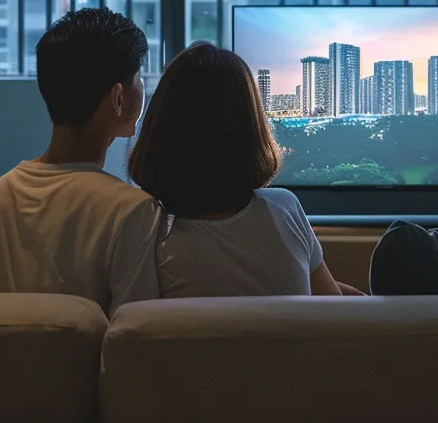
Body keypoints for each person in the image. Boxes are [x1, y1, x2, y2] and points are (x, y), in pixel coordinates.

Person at [0, 8, 163, 314]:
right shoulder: (133, 212)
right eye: (138, 76)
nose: (143, 86)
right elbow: (136, 340)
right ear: (118, 98)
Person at [127, 42, 352, 298]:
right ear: (251, 129)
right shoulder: (283, 210)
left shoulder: (149, 236)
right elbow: (334, 310)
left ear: (160, 132)